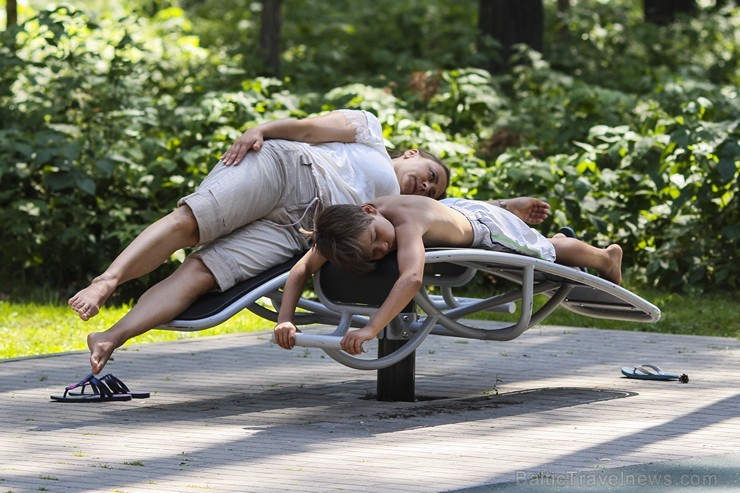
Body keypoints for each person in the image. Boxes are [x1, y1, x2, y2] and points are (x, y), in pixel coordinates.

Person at [69, 109, 546, 374]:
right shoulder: (370, 133)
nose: (426, 188)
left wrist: (510, 205)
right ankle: (106, 282)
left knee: (200, 273)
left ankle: (110, 337)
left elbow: (463, 214)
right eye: (428, 176)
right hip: (288, 172)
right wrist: (261, 130)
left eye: (434, 189)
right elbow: (309, 129)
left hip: (296, 233)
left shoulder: (395, 214)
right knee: (190, 223)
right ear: (412, 154)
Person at [273, 195, 623, 355]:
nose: (383, 248)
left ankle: (604, 257)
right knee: (541, 244)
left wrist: (370, 328)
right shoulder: (343, 232)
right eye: (375, 253)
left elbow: (411, 278)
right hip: (455, 209)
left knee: (546, 251)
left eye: (377, 238)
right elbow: (303, 267)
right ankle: (515, 211)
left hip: (483, 227)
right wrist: (285, 319)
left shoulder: (404, 222)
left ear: (369, 210)